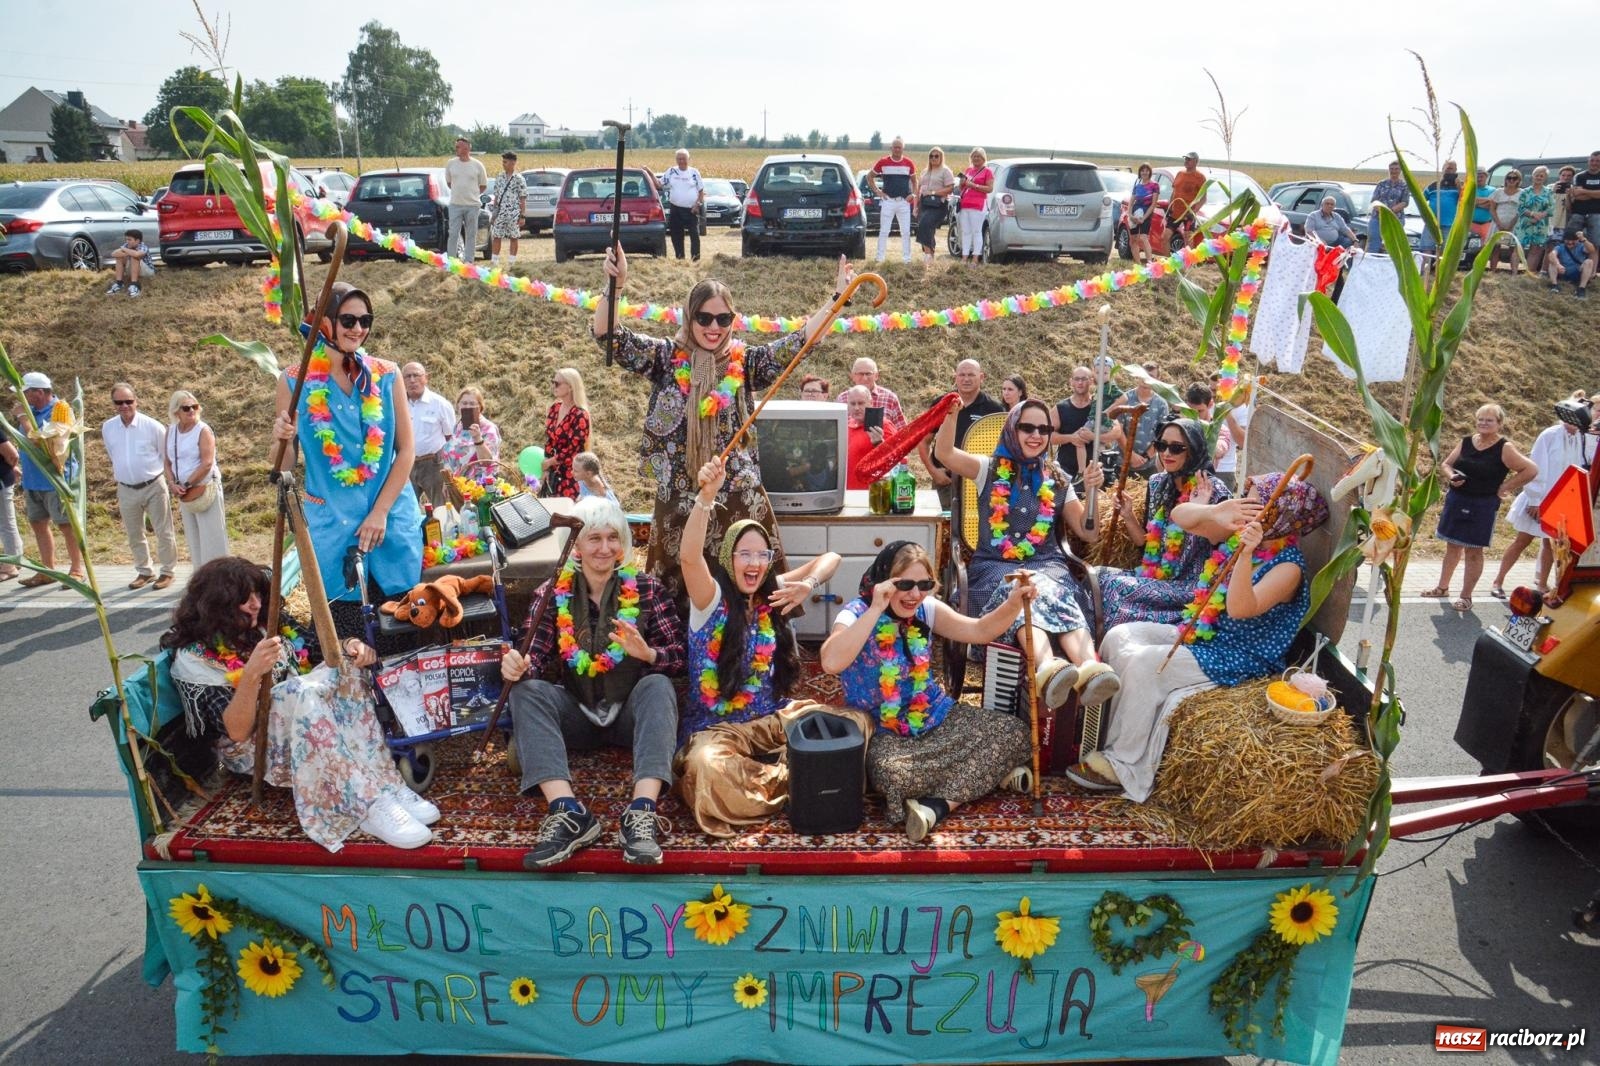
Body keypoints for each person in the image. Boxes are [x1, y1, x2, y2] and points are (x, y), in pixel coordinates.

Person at [594, 243, 853, 604]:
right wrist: (616, 284)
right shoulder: (666, 358)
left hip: (737, 499)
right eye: (704, 318)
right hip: (680, 500)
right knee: (678, 597)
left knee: (749, 596)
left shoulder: (745, 363)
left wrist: (838, 299)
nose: (713, 327)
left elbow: (799, 342)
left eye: (723, 319)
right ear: (689, 317)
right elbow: (609, 336)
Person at [1066, 475, 1329, 799]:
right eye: (1244, 499)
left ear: (1279, 516)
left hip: (1240, 653)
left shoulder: (1288, 568)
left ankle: (1123, 766)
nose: (1244, 507)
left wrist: (1245, 555)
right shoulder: (1240, 535)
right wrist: (1216, 511)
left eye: (1253, 503)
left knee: (1148, 665)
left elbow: (1239, 609)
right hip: (1206, 631)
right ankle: (1100, 735)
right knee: (1119, 636)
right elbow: (1181, 517)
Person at [160, 556, 438, 850]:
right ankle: (366, 805)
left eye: (258, 594)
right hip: (255, 749)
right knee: (296, 691)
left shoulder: (266, 625)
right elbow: (238, 732)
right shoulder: (195, 660)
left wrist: (349, 645)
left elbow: (318, 648)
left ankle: (386, 784)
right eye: (244, 598)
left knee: (345, 664)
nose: (256, 604)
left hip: (307, 722)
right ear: (216, 604)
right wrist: (252, 673)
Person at [673, 456, 867, 837]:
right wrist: (706, 498)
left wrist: (807, 585)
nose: (755, 563)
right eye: (745, 554)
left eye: (762, 555)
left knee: (856, 724)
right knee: (705, 768)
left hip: (774, 719)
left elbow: (832, 558)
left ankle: (790, 777)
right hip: (719, 729)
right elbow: (688, 556)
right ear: (728, 559)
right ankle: (805, 778)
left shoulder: (772, 593)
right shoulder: (709, 598)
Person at [499, 496, 684, 868]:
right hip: (577, 714)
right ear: (577, 548)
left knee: (659, 686)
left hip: (631, 716)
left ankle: (641, 813)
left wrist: (649, 654)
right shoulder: (552, 593)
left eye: (612, 538)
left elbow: (680, 657)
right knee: (526, 692)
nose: (604, 548)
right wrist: (518, 666)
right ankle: (569, 813)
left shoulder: (647, 589)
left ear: (622, 544)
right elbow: (534, 657)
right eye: (594, 538)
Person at [819, 542, 1037, 842]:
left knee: (1016, 732)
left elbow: (979, 631)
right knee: (891, 775)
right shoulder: (855, 613)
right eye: (904, 584)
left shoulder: (927, 608)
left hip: (935, 716)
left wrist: (1014, 603)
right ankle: (988, 771)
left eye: (924, 585)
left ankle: (938, 806)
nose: (914, 594)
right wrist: (876, 608)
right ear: (884, 581)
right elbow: (831, 662)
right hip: (885, 732)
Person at [933, 399, 1121, 708]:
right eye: (1027, 427)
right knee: (1022, 589)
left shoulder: (1057, 478)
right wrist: (951, 415)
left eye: (1044, 429)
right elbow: (945, 454)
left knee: (1050, 587)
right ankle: (1048, 667)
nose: (1036, 435)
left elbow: (1088, 533)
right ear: (1012, 429)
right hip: (996, 566)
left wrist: (1091, 492)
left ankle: (1091, 669)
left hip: (1048, 565)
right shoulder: (987, 469)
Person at [272, 284, 422, 628]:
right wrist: (282, 439)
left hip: (390, 526)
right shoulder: (294, 381)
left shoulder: (388, 374)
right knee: (348, 636)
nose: (358, 329)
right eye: (348, 320)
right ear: (325, 323)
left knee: (402, 630)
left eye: (365, 320)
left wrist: (380, 512)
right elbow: (283, 466)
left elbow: (407, 451)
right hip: (333, 529)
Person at [1100, 418, 1239, 631]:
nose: (1166, 453)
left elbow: (1226, 552)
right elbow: (1146, 545)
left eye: (1176, 448)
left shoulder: (1213, 490)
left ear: (1193, 450)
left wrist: (1198, 510)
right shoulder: (1157, 484)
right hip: (1156, 576)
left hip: (1192, 587)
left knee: (1114, 586)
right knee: (1097, 575)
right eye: (1161, 445)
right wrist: (1128, 515)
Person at [1420, 405, 1536, 612]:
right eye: (1480, 419)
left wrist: (1505, 487)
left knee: (1474, 550)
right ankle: (1442, 587)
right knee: (1452, 546)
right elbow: (1446, 464)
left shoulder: (1504, 447)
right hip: (1457, 500)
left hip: (1483, 504)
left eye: (1489, 420)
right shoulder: (1466, 441)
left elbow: (1531, 469)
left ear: (1499, 424)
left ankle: (1466, 596)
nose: (1483, 423)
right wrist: (1452, 476)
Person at [1490, 398, 1597, 605]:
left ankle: (1541, 584)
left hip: (1561, 501)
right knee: (1522, 541)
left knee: (1551, 544)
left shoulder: (1580, 438)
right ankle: (1498, 581)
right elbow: (1537, 465)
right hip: (1540, 499)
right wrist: (1535, 499)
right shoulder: (1550, 435)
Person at [101, 382, 177, 590]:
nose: (124, 406)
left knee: (163, 531)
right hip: (126, 488)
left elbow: (165, 457)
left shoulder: (153, 426)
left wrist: (170, 481)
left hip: (153, 485)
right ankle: (145, 571)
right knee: (134, 533)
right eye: (119, 402)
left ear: (136, 401)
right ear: (113, 404)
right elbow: (113, 454)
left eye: (128, 401)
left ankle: (167, 571)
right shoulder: (108, 427)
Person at [15, 371, 85, 588]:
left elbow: (43, 443)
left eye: (25, 393)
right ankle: (48, 570)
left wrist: (23, 418)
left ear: (38, 392)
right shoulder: (31, 410)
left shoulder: (59, 411)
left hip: (56, 479)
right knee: (38, 523)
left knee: (66, 525)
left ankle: (77, 570)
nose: (22, 397)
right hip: (32, 480)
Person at [917, 359, 1005, 510]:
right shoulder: (941, 403)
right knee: (944, 523)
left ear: (981, 377)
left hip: (979, 480)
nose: (966, 379)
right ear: (955, 378)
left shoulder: (994, 409)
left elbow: (1003, 447)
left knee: (978, 522)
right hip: (946, 481)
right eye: (962, 375)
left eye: (971, 375)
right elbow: (923, 441)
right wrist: (933, 471)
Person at [164, 390, 231, 571]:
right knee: (194, 540)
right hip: (184, 494)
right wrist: (172, 484)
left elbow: (207, 463)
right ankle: (200, 577)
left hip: (204, 488)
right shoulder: (170, 431)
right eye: (186, 408)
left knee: (213, 539)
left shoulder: (203, 430)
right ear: (176, 411)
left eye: (195, 406)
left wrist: (186, 484)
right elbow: (167, 461)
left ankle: (220, 579)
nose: (192, 411)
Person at [1050, 365, 1122, 485]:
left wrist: (1094, 437)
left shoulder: (1100, 405)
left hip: (1096, 471)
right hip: (1065, 471)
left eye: (1084, 379)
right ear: (1071, 382)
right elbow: (1049, 436)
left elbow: (1117, 431)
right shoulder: (1060, 408)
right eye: (1077, 379)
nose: (1080, 382)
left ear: (1091, 381)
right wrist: (1071, 438)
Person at [400, 362, 455, 508]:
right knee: (406, 508)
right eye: (407, 376)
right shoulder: (397, 404)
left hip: (434, 465)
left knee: (441, 507)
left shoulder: (440, 404)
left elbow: (450, 437)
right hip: (406, 465)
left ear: (426, 378)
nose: (412, 380)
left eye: (416, 375)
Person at [1108, 362, 1171, 478]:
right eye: (1143, 375)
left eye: (1150, 376)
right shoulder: (1125, 399)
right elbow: (1118, 430)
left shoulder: (1161, 405)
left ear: (1158, 379)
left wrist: (1146, 457)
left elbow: (1162, 436)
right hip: (1121, 463)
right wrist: (1131, 455)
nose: (1145, 380)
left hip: (1147, 466)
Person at [543, 367, 590, 500]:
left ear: (570, 386)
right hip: (553, 474)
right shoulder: (554, 408)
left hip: (572, 475)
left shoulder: (580, 415)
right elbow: (549, 441)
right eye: (553, 382)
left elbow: (573, 449)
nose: (553, 386)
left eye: (557, 383)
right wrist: (547, 468)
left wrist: (549, 462)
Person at [870, 136, 917, 264]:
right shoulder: (883, 162)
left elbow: (915, 181)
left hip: (903, 202)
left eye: (899, 147)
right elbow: (869, 177)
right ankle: (880, 258)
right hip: (888, 201)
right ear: (891, 148)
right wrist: (878, 191)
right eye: (895, 147)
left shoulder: (909, 163)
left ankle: (907, 260)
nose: (897, 149)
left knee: (906, 232)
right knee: (884, 231)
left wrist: (913, 194)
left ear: (903, 149)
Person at [833, 357, 907, 433]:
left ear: (876, 376)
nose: (865, 378)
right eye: (860, 374)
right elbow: (835, 430)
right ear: (853, 376)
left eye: (868, 374)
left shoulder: (890, 398)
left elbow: (903, 432)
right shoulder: (842, 399)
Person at [440, 385, 499, 479]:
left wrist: (478, 439)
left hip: (478, 484)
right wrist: (447, 481)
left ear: (480, 407)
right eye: (464, 403)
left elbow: (488, 462)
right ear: (458, 405)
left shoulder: (488, 428)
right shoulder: (458, 426)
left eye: (472, 403)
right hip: (455, 483)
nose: (467, 407)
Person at [444, 136, 488, 262]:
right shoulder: (451, 163)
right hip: (455, 204)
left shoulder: (478, 165)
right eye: (456, 146)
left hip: (472, 205)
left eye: (458, 147)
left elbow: (483, 185)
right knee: (453, 233)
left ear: (467, 148)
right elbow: (449, 183)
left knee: (471, 234)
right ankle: (451, 261)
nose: (456, 149)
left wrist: (472, 194)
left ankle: (469, 261)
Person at [1184, 381, 1233, 487]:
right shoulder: (1180, 427)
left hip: (1206, 485)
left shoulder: (1220, 430)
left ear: (1210, 404)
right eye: (1191, 411)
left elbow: (1219, 451)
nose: (1195, 416)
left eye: (1200, 411)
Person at [660, 149, 705, 262]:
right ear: (676, 160)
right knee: (676, 235)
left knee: (694, 235)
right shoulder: (671, 171)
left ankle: (695, 259)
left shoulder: (694, 172)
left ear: (688, 159)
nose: (681, 161)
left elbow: (701, 192)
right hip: (676, 209)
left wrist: (697, 205)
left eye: (683, 159)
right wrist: (648, 173)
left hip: (691, 209)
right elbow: (659, 184)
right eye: (679, 159)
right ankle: (680, 258)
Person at [915, 147, 956, 264]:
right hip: (924, 204)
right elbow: (918, 189)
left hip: (938, 205)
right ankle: (930, 255)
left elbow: (950, 188)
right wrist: (916, 206)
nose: (933, 158)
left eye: (936, 156)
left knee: (925, 224)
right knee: (926, 228)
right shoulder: (924, 171)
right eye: (931, 156)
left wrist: (933, 192)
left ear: (941, 157)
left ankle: (928, 254)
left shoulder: (945, 171)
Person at [487, 152, 526, 271]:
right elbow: (496, 196)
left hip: (514, 213)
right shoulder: (499, 177)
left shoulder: (519, 179)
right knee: (496, 236)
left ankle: (511, 262)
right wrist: (494, 213)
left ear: (513, 162)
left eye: (505, 162)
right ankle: (494, 261)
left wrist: (522, 216)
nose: (503, 164)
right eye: (503, 162)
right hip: (500, 212)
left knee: (514, 237)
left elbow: (523, 198)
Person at [956, 148, 993, 265]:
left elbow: (989, 189)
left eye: (978, 156)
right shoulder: (968, 170)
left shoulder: (987, 171)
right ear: (971, 158)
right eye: (974, 156)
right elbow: (962, 188)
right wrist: (962, 183)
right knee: (966, 231)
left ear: (983, 158)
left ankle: (975, 258)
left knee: (976, 231)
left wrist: (973, 185)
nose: (976, 158)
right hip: (965, 204)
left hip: (978, 205)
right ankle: (964, 257)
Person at [1517, 166, 1557, 274]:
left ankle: (1528, 274)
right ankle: (1514, 274)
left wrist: (1540, 216)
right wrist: (1533, 214)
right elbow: (1520, 207)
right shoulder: (1525, 191)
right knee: (1519, 248)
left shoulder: (1549, 192)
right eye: (1537, 175)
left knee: (1535, 250)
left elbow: (1551, 208)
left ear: (1545, 178)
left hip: (1541, 224)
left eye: (1541, 176)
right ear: (1532, 176)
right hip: (1525, 223)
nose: (1538, 177)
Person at [1420, 162, 1461, 266]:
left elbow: (1465, 201)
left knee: (1446, 250)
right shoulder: (1433, 185)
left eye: (1451, 168)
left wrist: (1459, 188)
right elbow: (1420, 200)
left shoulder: (1460, 185)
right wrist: (1424, 216)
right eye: (1446, 168)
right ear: (1442, 169)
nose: (1448, 170)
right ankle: (1426, 270)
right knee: (1426, 247)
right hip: (1431, 223)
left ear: (1455, 170)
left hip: (1449, 224)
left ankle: (1440, 270)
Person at [843, 385, 881, 491]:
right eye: (852, 403)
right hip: (847, 492)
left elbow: (895, 460)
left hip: (872, 494)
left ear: (871, 403)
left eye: (861, 403)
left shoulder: (883, 426)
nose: (856, 408)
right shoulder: (845, 426)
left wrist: (879, 444)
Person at [1369, 160, 1411, 252]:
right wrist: (1382, 211)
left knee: (1393, 244)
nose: (1394, 171)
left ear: (1400, 171)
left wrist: (1390, 211)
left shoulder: (1404, 185)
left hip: (1396, 219)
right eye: (1392, 169)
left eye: (1396, 169)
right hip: (1378, 218)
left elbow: (1405, 202)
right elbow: (1374, 200)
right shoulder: (1381, 184)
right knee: (1374, 242)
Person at [1488, 170, 1522, 271]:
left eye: (1514, 178)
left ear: (1518, 180)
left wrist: (1511, 224)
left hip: (1515, 223)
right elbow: (1492, 208)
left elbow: (1522, 210)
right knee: (1495, 248)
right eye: (1509, 178)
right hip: (1498, 222)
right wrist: (1499, 223)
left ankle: (1514, 274)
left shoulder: (1522, 193)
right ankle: (1492, 271)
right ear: (1505, 179)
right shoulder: (1498, 192)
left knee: (1514, 248)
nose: (1511, 180)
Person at [1168, 152, 1206, 242]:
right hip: (1175, 214)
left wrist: (1193, 212)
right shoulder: (1180, 173)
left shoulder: (1200, 177)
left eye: (1189, 159)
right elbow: (1174, 192)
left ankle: (1189, 252)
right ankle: (1167, 253)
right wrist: (1169, 206)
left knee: (1188, 240)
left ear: (1196, 161)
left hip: (1188, 215)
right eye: (1185, 159)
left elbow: (1203, 198)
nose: (1186, 161)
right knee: (1165, 237)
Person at [1547, 228, 1595, 298]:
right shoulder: (1560, 247)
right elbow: (1551, 255)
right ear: (1564, 240)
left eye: (1573, 240)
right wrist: (1558, 265)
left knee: (1589, 262)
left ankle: (1581, 288)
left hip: (1577, 273)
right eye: (1568, 240)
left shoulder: (1581, 246)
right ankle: (1554, 285)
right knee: (1552, 262)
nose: (1570, 242)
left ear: (1577, 240)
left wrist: (1583, 239)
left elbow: (1591, 250)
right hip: (1563, 272)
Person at [1567, 150, 1600, 249]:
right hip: (1578, 214)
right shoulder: (1579, 176)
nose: (1594, 163)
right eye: (1592, 160)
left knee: (1595, 245)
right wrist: (1595, 193)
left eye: (1597, 161)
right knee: (1571, 241)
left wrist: (1584, 191)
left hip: (1597, 214)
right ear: (1588, 161)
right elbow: (1577, 195)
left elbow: (1581, 193)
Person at [105, 229, 152, 298]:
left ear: (137, 241)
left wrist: (124, 250)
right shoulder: (127, 245)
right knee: (119, 257)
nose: (127, 241)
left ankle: (134, 285)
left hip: (147, 271)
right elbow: (113, 254)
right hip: (133, 269)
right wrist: (127, 251)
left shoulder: (143, 246)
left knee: (134, 257)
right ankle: (119, 283)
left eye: (129, 240)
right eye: (126, 239)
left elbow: (137, 254)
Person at [1129, 163, 1160, 263]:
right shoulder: (1137, 186)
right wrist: (1130, 215)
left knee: (1143, 237)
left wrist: (1144, 218)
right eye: (1142, 170)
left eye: (1147, 170)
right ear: (1140, 172)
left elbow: (1153, 204)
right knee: (1133, 239)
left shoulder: (1154, 185)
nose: (1144, 172)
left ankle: (1150, 263)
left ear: (1150, 172)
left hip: (1146, 213)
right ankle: (1138, 264)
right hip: (1135, 214)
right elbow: (1131, 202)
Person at [0, 435, 21, 581]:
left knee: (6, 524)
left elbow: (12, 454)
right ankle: (15, 561)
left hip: (1, 481)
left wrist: (11, 467)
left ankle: (11, 565)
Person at [1469, 168, 1495, 246]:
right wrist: (1486, 201)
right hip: (1472, 224)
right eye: (1477, 176)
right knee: (1471, 248)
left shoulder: (1493, 190)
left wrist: (1475, 203)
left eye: (1481, 176)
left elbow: (1491, 205)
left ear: (1486, 177)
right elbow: (1468, 203)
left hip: (1487, 225)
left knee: (1486, 247)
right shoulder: (1470, 190)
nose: (1479, 179)